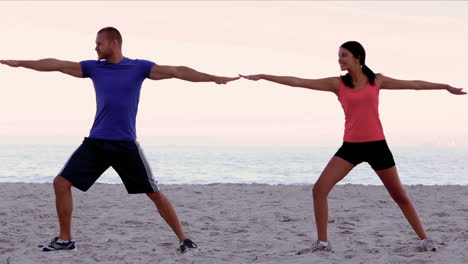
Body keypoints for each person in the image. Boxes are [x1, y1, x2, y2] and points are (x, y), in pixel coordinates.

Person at [0, 27, 239, 253]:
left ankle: (185, 240)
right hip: (96, 143)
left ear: (113, 42)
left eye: (99, 43)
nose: (95, 48)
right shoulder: (94, 68)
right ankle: (65, 240)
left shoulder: (139, 67)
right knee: (61, 183)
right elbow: (58, 65)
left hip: (125, 144)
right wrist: (20, 63)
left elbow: (177, 71)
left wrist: (213, 78)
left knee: (154, 193)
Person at [240, 41, 465, 254]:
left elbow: (415, 85)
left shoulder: (377, 80)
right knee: (319, 189)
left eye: (344, 55)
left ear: (358, 58)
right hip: (350, 147)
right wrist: (263, 76)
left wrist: (445, 87)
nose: (340, 59)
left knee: (399, 196)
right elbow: (299, 81)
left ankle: (425, 239)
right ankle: (322, 242)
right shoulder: (337, 84)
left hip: (377, 145)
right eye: (338, 56)